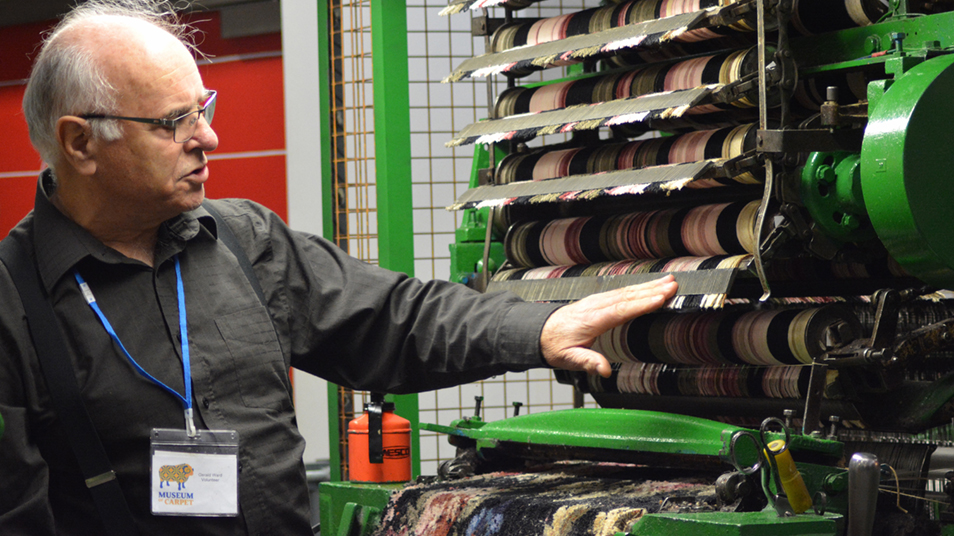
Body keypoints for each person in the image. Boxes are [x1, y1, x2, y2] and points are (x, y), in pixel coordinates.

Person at [0, 1, 678, 534]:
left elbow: (395, 320)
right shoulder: (13, 302)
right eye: (174, 121)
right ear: (80, 142)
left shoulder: (239, 239)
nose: (207, 137)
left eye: (202, 109)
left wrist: (541, 328)